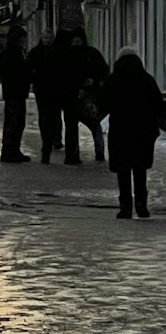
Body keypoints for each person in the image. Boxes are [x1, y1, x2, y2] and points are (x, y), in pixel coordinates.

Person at [97, 47, 163, 218]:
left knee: (123, 169)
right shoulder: (147, 79)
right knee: (140, 169)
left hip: (121, 130)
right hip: (143, 131)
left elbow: (102, 104)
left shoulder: (113, 80)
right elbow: (158, 104)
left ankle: (125, 207)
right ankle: (142, 205)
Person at [57, 27, 109, 165]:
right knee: (83, 126)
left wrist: (93, 82)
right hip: (75, 97)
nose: (76, 41)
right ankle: (75, 154)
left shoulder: (82, 54)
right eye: (74, 39)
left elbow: (103, 71)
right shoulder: (80, 54)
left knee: (90, 125)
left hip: (86, 98)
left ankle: (85, 154)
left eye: (78, 39)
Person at [26, 28, 62, 163]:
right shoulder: (36, 52)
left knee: (53, 115)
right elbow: (29, 69)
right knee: (44, 115)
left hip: (54, 89)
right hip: (42, 90)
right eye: (45, 38)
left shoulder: (57, 52)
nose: (47, 40)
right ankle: (47, 141)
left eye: (49, 38)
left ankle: (54, 139)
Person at [0, 25, 31, 162]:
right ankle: (9, 151)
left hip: (17, 92)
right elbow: (13, 73)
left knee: (18, 122)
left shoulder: (17, 52)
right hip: (14, 92)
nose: (24, 41)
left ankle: (14, 150)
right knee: (13, 122)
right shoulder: (12, 53)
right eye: (22, 39)